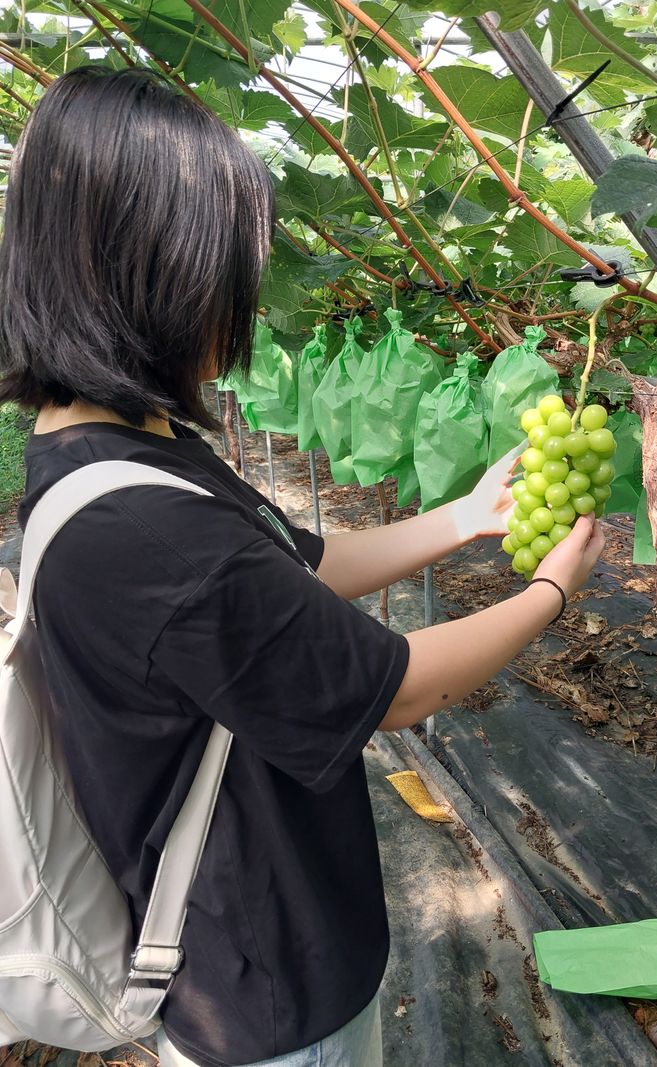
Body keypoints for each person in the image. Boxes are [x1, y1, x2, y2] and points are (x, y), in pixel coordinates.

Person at [0, 67, 604, 1067]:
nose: (236, 306)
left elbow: (296, 566)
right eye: (225, 273)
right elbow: (397, 690)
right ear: (140, 274)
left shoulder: (101, 445)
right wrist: (548, 592)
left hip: (229, 939)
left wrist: (463, 517)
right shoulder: (144, 533)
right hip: (260, 988)